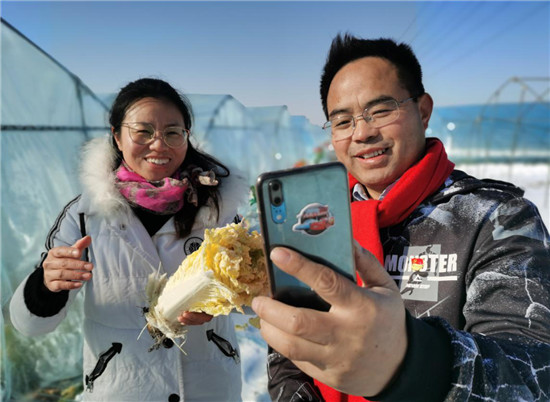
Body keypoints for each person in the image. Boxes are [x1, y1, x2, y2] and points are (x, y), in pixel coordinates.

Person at [252, 34, 550, 401]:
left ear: (423, 110)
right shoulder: (317, 219)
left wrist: (410, 363)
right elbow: (291, 348)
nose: (362, 133)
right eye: (342, 122)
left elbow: (533, 372)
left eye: (380, 110)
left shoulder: (497, 217)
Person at [9, 78, 247, 401]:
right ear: (117, 136)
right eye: (143, 131)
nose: (159, 145)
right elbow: (29, 325)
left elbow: (256, 291)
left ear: (186, 138)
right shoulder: (84, 216)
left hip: (210, 390)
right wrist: (46, 285)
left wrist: (223, 299)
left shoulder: (219, 209)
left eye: (173, 132)